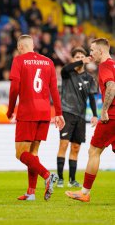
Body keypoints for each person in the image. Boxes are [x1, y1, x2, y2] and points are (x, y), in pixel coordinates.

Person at [7, 35, 65, 201]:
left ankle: (47, 175)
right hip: (45, 111)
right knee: (33, 153)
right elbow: (54, 89)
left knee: (20, 154)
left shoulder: (19, 60)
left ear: (20, 47)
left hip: (27, 111)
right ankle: (31, 193)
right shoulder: (48, 62)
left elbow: (14, 89)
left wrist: (11, 109)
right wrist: (58, 113)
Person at [66, 38, 115, 202]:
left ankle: (85, 193)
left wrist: (105, 110)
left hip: (112, 115)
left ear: (101, 51)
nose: (91, 53)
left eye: (93, 50)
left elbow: (111, 87)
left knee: (94, 151)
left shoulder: (105, 66)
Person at [56, 47, 98, 188]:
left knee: (75, 148)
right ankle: (60, 178)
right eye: (77, 57)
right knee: (63, 145)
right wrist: (80, 61)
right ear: (72, 59)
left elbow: (92, 98)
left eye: (82, 56)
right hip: (67, 113)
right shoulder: (67, 73)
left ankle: (72, 179)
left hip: (80, 116)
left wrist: (95, 115)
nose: (80, 58)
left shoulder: (89, 78)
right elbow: (65, 68)